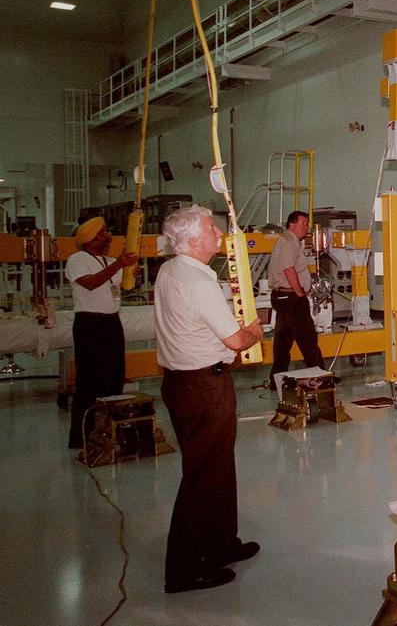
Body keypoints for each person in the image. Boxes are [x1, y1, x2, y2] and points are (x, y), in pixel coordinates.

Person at [155, 205, 262, 593]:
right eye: (211, 228)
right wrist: (255, 330)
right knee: (202, 477)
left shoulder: (171, 269)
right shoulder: (199, 282)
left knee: (218, 468)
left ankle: (220, 545)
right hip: (202, 387)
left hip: (186, 385)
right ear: (196, 241)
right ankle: (183, 571)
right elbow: (235, 340)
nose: (219, 232)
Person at [65, 217, 137, 449]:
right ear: (88, 239)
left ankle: (109, 432)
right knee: (89, 381)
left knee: (115, 377)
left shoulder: (105, 260)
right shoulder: (77, 260)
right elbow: (91, 283)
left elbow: (120, 285)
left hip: (111, 324)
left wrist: (129, 266)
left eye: (106, 231)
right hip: (90, 325)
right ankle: (81, 436)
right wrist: (118, 264)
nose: (107, 236)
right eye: (101, 233)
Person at [267, 210, 324, 382]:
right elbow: (289, 269)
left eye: (306, 224)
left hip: (284, 297)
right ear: (291, 224)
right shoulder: (288, 242)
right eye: (303, 224)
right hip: (290, 298)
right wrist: (300, 293)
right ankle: (319, 377)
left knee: (283, 341)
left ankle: (277, 378)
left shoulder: (289, 242)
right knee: (307, 339)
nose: (306, 228)